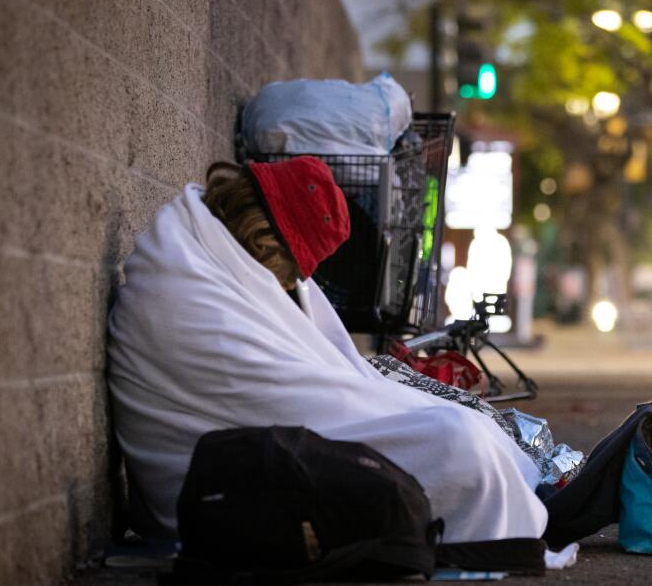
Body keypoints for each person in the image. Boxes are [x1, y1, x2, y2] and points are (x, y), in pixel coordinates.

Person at [107, 157, 548, 544]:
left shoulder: (199, 257)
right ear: (264, 242)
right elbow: (295, 403)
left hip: (232, 469)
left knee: (459, 422)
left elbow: (321, 380)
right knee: (457, 441)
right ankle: (511, 496)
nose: (287, 288)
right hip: (208, 499)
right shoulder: (192, 294)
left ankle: (516, 479)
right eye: (290, 274)